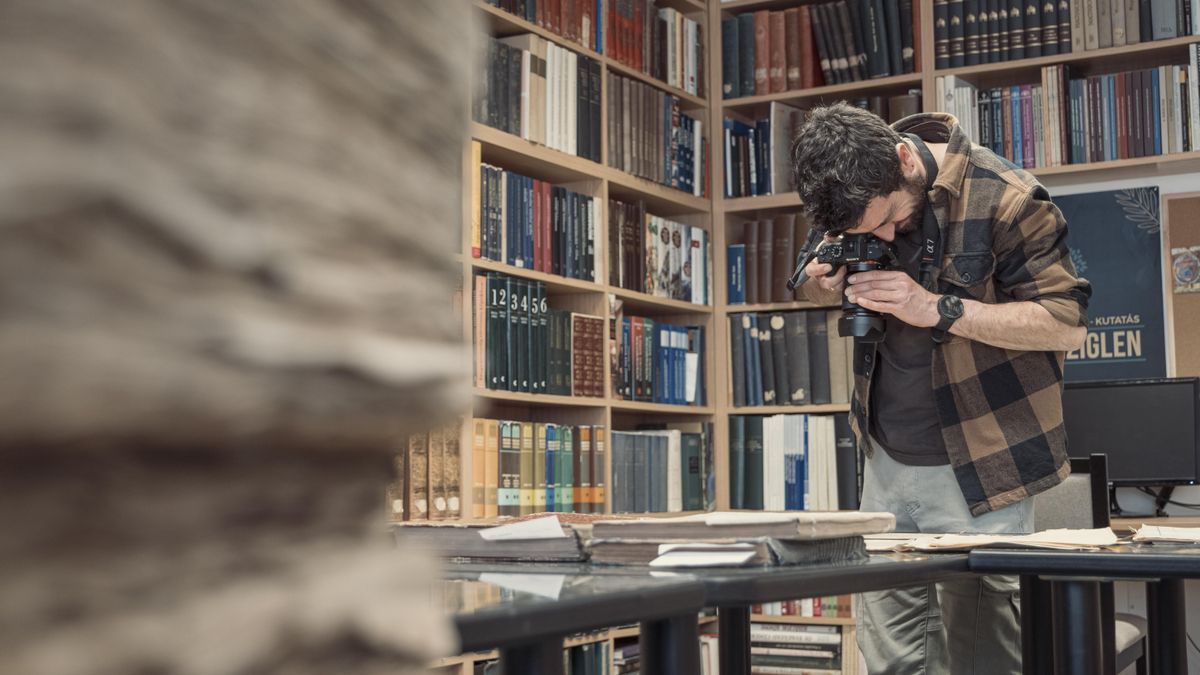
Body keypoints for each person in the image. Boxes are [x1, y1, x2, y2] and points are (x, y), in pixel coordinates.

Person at [790, 102, 1091, 675]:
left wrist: (934, 308)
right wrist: (820, 281)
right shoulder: (850, 188)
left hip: (986, 463)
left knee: (983, 658)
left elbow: (1066, 325)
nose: (879, 235)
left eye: (885, 220)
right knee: (890, 662)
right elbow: (810, 282)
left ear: (904, 159)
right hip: (883, 463)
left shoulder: (1008, 197)